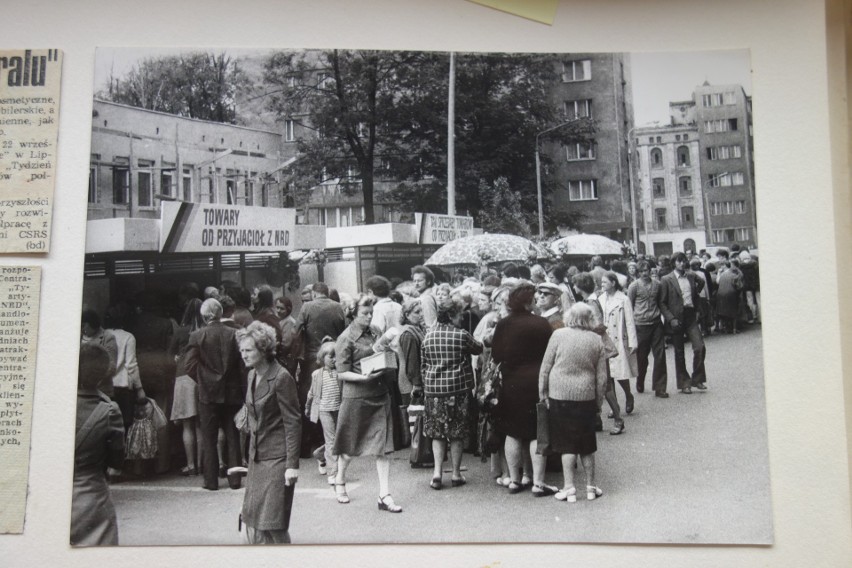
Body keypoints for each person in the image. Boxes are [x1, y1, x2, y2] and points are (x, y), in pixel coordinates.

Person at [333, 295, 402, 513]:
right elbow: (342, 373)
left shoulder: (374, 331)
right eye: (365, 313)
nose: (370, 316)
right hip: (356, 397)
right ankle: (340, 481)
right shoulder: (345, 338)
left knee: (383, 448)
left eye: (371, 312)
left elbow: (383, 353)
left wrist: (391, 350)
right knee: (349, 446)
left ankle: (384, 495)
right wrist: (363, 378)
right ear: (352, 314)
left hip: (379, 393)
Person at [236, 322, 301, 544]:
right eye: (242, 350)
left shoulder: (282, 377)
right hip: (257, 458)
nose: (243, 355)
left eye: (248, 350)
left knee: (274, 524)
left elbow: (293, 422)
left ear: (263, 350)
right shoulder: (252, 375)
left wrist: (292, 465)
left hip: (278, 459)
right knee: (254, 524)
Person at [490, 283, 558, 496]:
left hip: (511, 382)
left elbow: (496, 356)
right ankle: (538, 483)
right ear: (528, 302)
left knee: (513, 432)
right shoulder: (541, 324)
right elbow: (550, 355)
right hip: (536, 382)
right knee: (536, 431)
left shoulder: (503, 324)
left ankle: (514, 480)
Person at [538, 303, 608, 503]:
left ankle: (569, 488)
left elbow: (545, 368)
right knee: (587, 444)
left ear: (570, 317)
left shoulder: (558, 335)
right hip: (585, 396)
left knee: (566, 444)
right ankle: (591, 487)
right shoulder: (596, 340)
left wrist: (543, 393)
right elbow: (602, 378)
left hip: (559, 395)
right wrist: (598, 402)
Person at [420, 302, 483, 489]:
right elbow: (478, 348)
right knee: (457, 433)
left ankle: (437, 473)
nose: (462, 319)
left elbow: (423, 364)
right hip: (458, 389)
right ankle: (456, 474)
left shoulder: (428, 335)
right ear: (452, 316)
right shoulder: (461, 335)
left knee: (437, 433)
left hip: (434, 392)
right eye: (459, 316)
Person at [185, 298, 243, 490]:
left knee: (209, 436)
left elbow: (189, 365)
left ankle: (210, 481)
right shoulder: (234, 334)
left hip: (207, 393)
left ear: (203, 316)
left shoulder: (196, 335)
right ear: (221, 313)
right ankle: (235, 479)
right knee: (232, 435)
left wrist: (204, 379)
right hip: (232, 390)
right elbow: (242, 365)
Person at [71, 344, 125, 546]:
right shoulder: (109, 411)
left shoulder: (50, 403)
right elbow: (116, 460)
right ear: (102, 376)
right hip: (90, 495)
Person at [571, 272, 625, 435]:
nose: (573, 287)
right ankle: (597, 419)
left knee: (605, 385)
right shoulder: (589, 301)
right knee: (598, 383)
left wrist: (582, 328)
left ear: (580, 287)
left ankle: (618, 419)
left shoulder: (591, 302)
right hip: (594, 346)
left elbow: (600, 325)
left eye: (575, 285)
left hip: (598, 347)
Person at [659, 252, 707, 393]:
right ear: (673, 263)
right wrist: (671, 319)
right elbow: (662, 302)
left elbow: (699, 287)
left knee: (700, 347)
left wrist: (697, 305)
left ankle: (697, 378)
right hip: (676, 318)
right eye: (679, 261)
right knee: (679, 352)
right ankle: (684, 382)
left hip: (690, 316)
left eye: (683, 261)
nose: (682, 263)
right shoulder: (666, 279)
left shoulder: (691, 276)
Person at [627, 261, 668, 397]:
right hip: (640, 325)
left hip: (656, 323)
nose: (645, 273)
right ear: (638, 273)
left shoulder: (658, 284)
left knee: (660, 355)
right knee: (642, 357)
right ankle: (640, 379)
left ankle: (659, 387)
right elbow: (629, 306)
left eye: (647, 270)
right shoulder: (634, 286)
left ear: (651, 271)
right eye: (642, 271)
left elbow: (661, 302)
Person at [599, 271, 638, 415]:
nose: (602, 285)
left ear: (613, 283)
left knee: (621, 373)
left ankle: (628, 395)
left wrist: (633, 341)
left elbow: (629, 321)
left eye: (604, 282)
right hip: (605, 339)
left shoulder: (623, 299)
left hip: (619, 338)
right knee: (608, 375)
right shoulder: (601, 299)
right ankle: (614, 406)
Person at [305, 340, 341, 487]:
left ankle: (319, 455)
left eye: (336, 357)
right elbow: (311, 393)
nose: (334, 360)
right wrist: (308, 408)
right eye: (330, 356)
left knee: (336, 439)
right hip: (324, 410)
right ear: (322, 358)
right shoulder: (317, 374)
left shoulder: (339, 372)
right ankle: (333, 473)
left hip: (338, 409)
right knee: (332, 440)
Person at [80, 309, 117, 398]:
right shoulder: (78, 336)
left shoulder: (107, 338)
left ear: (92, 324)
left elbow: (111, 367)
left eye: (84, 326)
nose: (82, 329)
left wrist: (92, 381)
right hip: (81, 391)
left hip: (102, 390)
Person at [397, 299, 426, 406]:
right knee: (414, 418)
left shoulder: (417, 329)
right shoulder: (408, 334)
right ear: (407, 315)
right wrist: (417, 384)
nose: (421, 315)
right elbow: (412, 362)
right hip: (411, 385)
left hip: (415, 382)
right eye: (417, 312)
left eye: (421, 311)